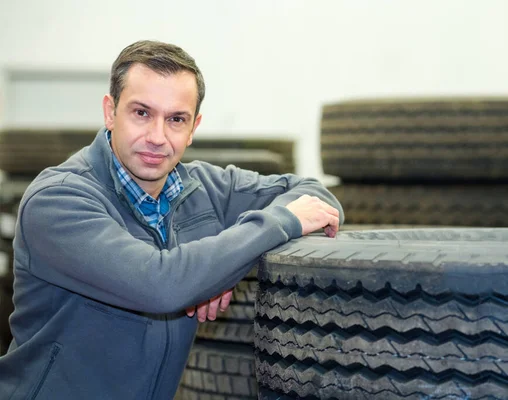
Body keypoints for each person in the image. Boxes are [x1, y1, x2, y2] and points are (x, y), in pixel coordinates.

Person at [0, 40, 343, 399]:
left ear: (193, 127)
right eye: (142, 113)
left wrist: (221, 268)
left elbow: (316, 196)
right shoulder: (57, 200)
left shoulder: (208, 188)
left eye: (176, 119)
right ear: (109, 111)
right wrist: (249, 244)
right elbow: (159, 284)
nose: (157, 137)